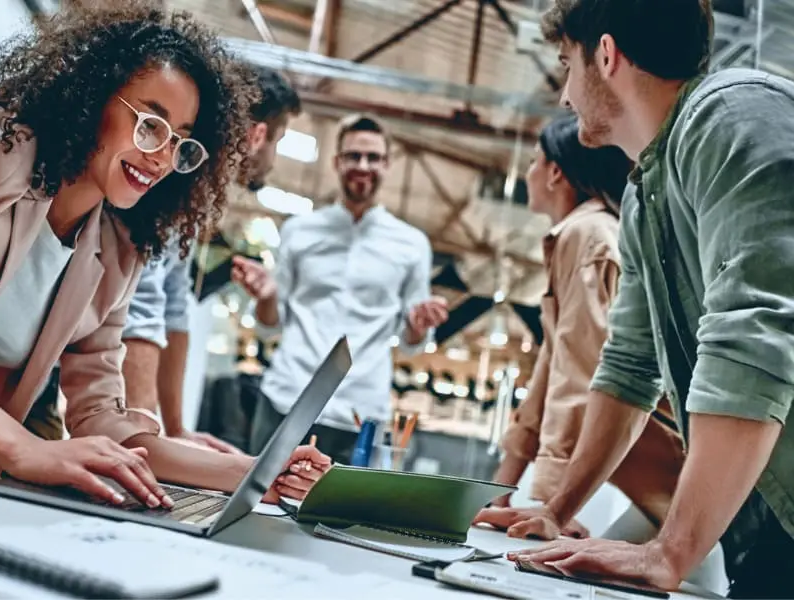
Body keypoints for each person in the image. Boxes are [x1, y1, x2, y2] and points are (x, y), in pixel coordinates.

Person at [0, 1, 329, 524]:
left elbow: (101, 416)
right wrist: (25, 450)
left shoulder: (118, 251)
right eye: (150, 125)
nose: (162, 158)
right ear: (94, 97)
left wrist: (255, 471)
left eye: (182, 144)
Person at [490, 1, 794, 597]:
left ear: (605, 56)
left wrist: (670, 551)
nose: (563, 97)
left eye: (565, 66)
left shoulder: (733, 114)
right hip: (767, 522)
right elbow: (629, 366)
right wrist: (556, 507)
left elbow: (755, 336)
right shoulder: (643, 195)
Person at [477, 114, 684, 539]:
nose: (530, 172)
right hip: (655, 480)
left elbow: (581, 371)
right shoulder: (583, 233)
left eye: (534, 161)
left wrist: (553, 505)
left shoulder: (587, 235)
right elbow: (550, 371)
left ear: (555, 172)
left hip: (670, 473)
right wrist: (501, 486)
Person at [232, 114, 449, 465]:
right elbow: (270, 324)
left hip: (360, 413)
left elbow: (411, 345)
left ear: (387, 164)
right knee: (257, 506)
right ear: (336, 162)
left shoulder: (412, 245)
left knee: (341, 517)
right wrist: (268, 297)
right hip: (287, 399)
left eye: (373, 157)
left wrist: (418, 325)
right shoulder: (299, 231)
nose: (363, 165)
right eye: (353, 156)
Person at [117, 65, 301, 453]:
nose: (272, 158)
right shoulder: (174, 180)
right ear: (257, 135)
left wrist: (175, 429)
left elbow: (173, 305)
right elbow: (144, 305)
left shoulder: (199, 196)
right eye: (278, 141)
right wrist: (148, 441)